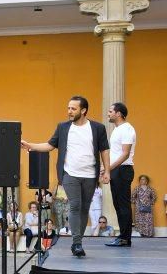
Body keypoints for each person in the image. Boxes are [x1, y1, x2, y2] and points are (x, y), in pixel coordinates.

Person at [21, 96, 111, 258]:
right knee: (75, 206)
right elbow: (50, 145)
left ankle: (78, 240)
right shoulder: (63, 127)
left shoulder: (98, 128)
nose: (69, 111)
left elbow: (104, 150)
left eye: (73, 109)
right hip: (70, 174)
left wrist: (107, 171)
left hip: (90, 175)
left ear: (83, 110)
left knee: (84, 208)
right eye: (68, 108)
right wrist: (31, 146)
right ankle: (76, 243)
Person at [106, 102, 136, 247]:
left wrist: (108, 168)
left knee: (123, 205)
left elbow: (125, 154)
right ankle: (123, 236)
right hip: (116, 170)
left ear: (119, 113)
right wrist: (107, 168)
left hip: (123, 170)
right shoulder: (117, 129)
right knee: (118, 205)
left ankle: (125, 238)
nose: (108, 113)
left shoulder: (127, 129)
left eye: (111, 111)